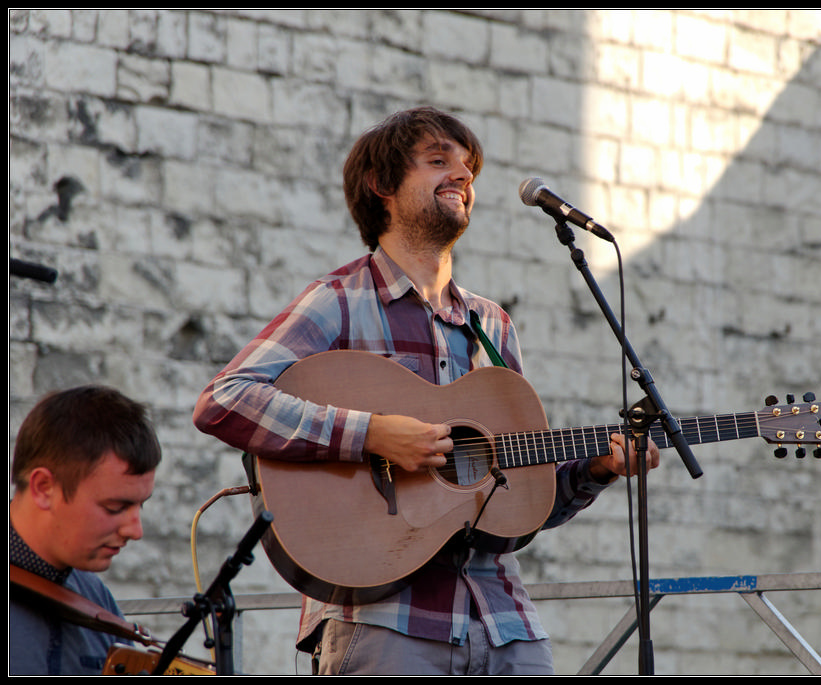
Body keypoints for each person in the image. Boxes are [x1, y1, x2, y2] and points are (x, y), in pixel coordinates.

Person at [192, 106, 659, 675]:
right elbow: (226, 398)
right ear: (383, 185)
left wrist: (597, 471)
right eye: (439, 161)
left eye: (469, 169)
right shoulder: (339, 300)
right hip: (384, 621)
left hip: (503, 621)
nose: (462, 176)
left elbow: (512, 503)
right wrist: (373, 435)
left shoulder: (494, 328)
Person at [9, 385, 162, 676]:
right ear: (44, 488)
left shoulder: (96, 599)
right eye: (115, 507)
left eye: (140, 506)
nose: (136, 531)